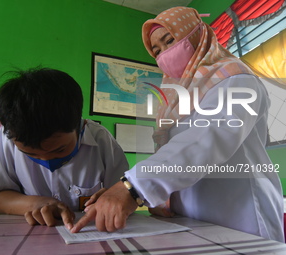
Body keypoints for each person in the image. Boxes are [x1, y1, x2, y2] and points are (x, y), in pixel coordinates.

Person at [71, 7, 284, 242]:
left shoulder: (237, 80)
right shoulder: (177, 100)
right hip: (192, 223)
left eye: (169, 40)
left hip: (243, 218)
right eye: (157, 50)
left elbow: (205, 140)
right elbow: (176, 156)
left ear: (196, 34)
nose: (164, 54)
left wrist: (132, 188)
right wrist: (128, 193)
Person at [0, 67, 129, 229]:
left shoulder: (101, 139)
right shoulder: (9, 136)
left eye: (59, 150)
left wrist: (114, 198)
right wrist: (34, 203)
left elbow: (125, 192)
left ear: (79, 125)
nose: (46, 159)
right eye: (30, 154)